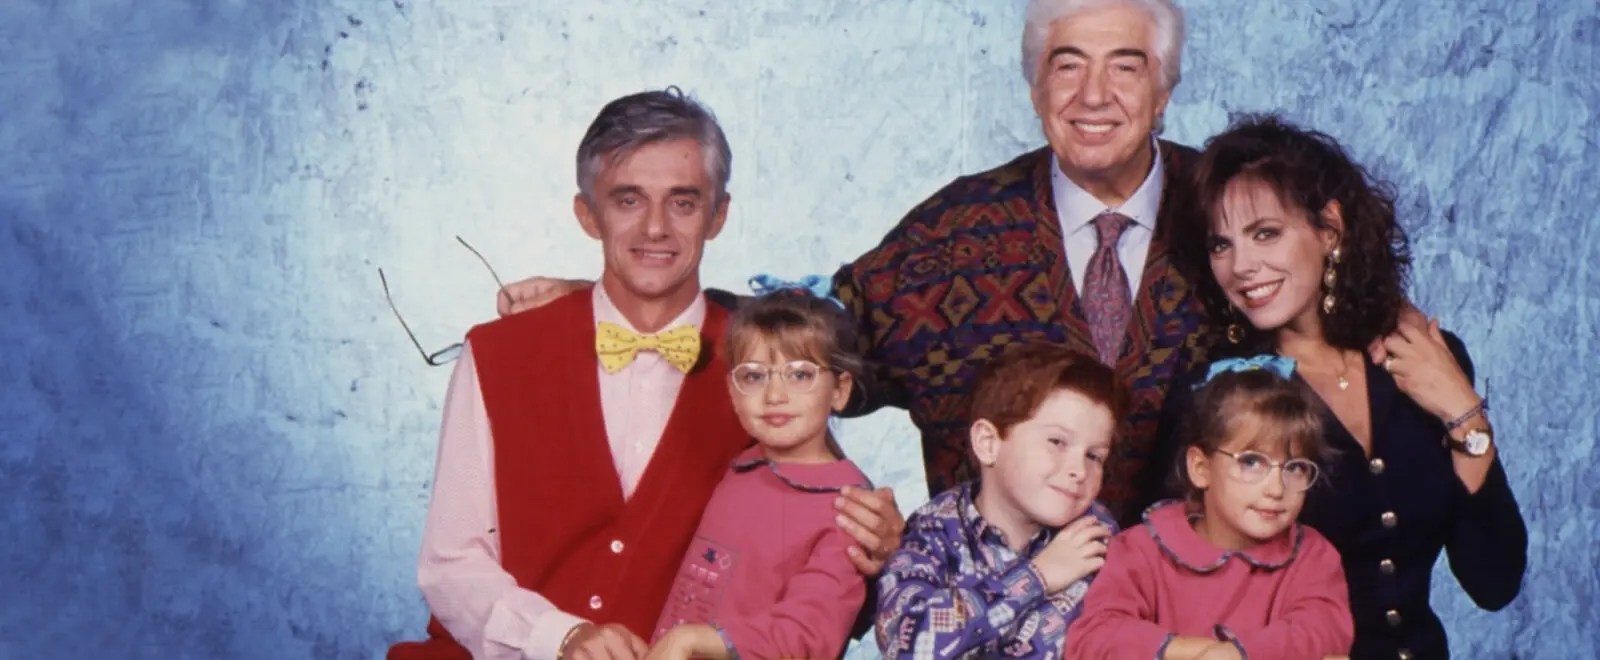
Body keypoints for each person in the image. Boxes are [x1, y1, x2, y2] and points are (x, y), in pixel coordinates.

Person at [495, 0, 1212, 526]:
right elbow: (814, 339)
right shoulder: (952, 231)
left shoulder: (1229, 215)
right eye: (1067, 65)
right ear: (1035, 89)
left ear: (1165, 89)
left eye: (1126, 66)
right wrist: (633, 301)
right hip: (986, 621)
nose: (1093, 95)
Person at [387, 88, 898, 660]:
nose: (656, 228)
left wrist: (880, 551)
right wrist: (559, 637)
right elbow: (451, 563)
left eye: (683, 202)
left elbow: (820, 556)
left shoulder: (768, 375)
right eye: (628, 200)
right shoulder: (497, 352)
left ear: (718, 215)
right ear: (588, 214)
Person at [1157, 115, 1527, 659]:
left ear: (1330, 228)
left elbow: (1494, 581)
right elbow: (1179, 603)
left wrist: (1463, 411)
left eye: (1265, 233)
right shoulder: (1214, 394)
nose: (1241, 266)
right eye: (1221, 245)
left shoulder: (1424, 359)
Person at [1067, 358, 1354, 659]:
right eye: (1251, 462)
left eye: (1295, 468)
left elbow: (1323, 631)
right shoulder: (1139, 549)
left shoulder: (1312, 555)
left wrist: (1237, 655)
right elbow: (1095, 637)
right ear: (1200, 468)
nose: (1276, 489)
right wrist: (1196, 653)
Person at [643, 292, 872, 660]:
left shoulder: (851, 510)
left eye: (800, 374)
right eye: (753, 376)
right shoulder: (740, 468)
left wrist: (694, 640)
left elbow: (808, 635)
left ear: (840, 391)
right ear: (732, 391)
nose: (774, 395)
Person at [874, 343, 1122, 659]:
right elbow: (908, 647)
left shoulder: (1098, 536)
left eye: (1094, 456)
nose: (1079, 470)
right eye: (1057, 442)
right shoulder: (933, 531)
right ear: (988, 443)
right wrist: (1036, 577)